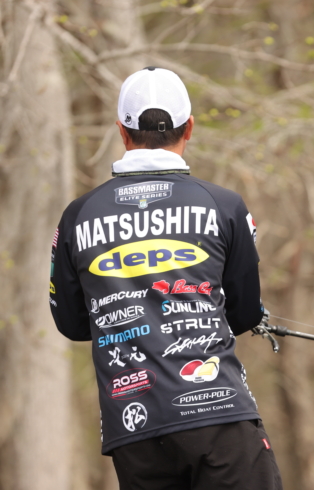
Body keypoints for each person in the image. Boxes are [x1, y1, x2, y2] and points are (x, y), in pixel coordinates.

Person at [49, 67, 283, 490]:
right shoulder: (224, 205)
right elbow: (245, 312)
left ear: (122, 132)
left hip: (133, 430)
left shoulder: (77, 216)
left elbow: (72, 323)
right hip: (218, 414)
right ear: (189, 127)